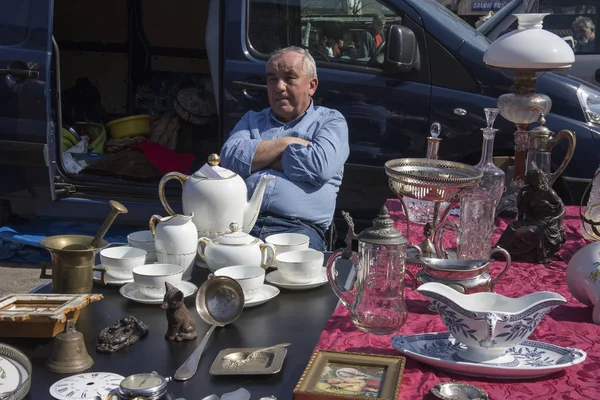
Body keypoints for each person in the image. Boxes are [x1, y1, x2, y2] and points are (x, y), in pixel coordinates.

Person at [219, 47, 350, 251]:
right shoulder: (252, 119)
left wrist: (259, 157)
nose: (279, 87)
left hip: (298, 229)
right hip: (240, 224)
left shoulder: (331, 121)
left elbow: (318, 167)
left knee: (291, 279)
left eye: (289, 78)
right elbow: (229, 160)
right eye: (272, 79)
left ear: (312, 85)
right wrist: (286, 143)